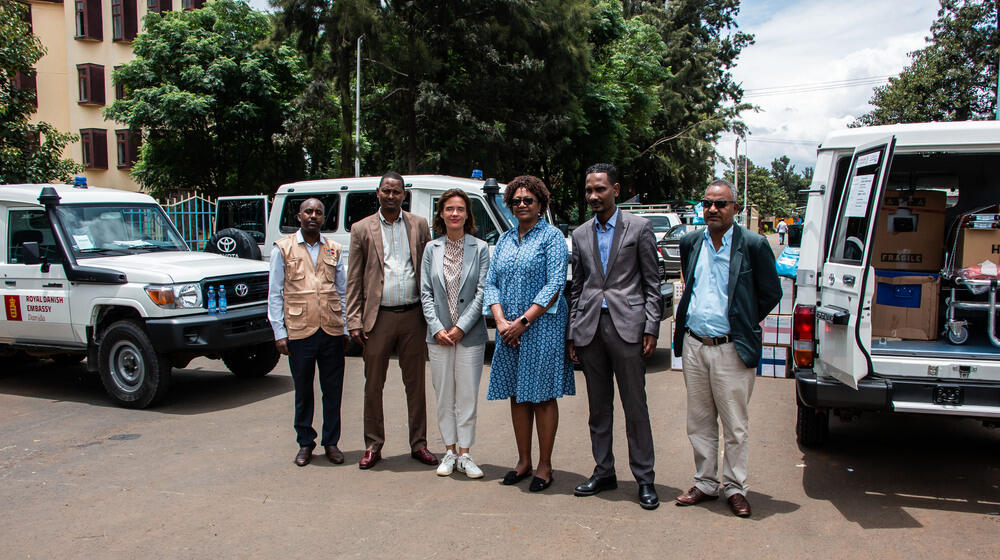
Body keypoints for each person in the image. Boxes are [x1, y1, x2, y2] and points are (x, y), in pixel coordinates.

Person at [672, 179, 781, 518]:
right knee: (700, 420)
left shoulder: (753, 244)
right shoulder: (692, 242)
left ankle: (735, 487)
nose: (713, 210)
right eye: (707, 204)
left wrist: (743, 322)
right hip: (694, 344)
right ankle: (705, 482)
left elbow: (770, 293)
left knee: (735, 424)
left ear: (735, 208)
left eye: (720, 204)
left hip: (731, 348)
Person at [567, 163, 662, 510]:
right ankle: (604, 471)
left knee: (635, 407)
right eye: (589, 190)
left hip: (628, 328)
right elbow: (577, 287)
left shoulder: (639, 228)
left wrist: (651, 326)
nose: (593, 196)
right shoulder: (579, 235)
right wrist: (572, 332)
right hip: (590, 329)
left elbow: (653, 283)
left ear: (616, 190)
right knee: (598, 408)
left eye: (600, 189)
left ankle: (645, 479)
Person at [484, 175, 575, 493]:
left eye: (528, 200)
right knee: (517, 394)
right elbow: (491, 281)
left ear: (541, 204)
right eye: (516, 201)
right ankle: (523, 461)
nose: (522, 205)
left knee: (542, 397)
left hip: (542, 327)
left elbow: (555, 284)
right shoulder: (505, 239)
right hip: (508, 327)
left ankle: (544, 465)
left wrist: (523, 321)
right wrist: (500, 319)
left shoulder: (552, 237)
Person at [346, 172, 437, 469]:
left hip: (413, 315)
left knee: (416, 385)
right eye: (386, 191)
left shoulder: (419, 225)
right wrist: (354, 320)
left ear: (403, 195)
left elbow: (428, 269)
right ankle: (373, 444)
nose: (391, 196)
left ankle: (419, 444)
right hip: (378, 317)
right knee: (373, 384)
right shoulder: (361, 229)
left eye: (396, 192)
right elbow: (354, 278)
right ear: (378, 193)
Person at [267, 198, 348, 467]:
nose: (313, 216)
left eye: (318, 213)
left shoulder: (333, 249)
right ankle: (305, 443)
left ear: (324, 218)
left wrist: (347, 326)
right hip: (300, 330)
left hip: (331, 329)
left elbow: (343, 290)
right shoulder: (284, 248)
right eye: (308, 212)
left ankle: (331, 442)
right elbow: (275, 293)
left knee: (333, 390)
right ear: (299, 216)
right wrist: (279, 331)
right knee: (303, 390)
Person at [420, 190, 491, 479]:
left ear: (467, 215)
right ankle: (449, 451)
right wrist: (438, 328)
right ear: (441, 214)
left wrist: (461, 327)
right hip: (438, 337)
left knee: (467, 396)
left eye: (460, 209)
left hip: (469, 336)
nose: (454, 214)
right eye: (449, 209)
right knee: (443, 396)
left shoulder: (481, 248)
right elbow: (425, 292)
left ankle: (466, 454)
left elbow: (483, 291)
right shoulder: (430, 249)